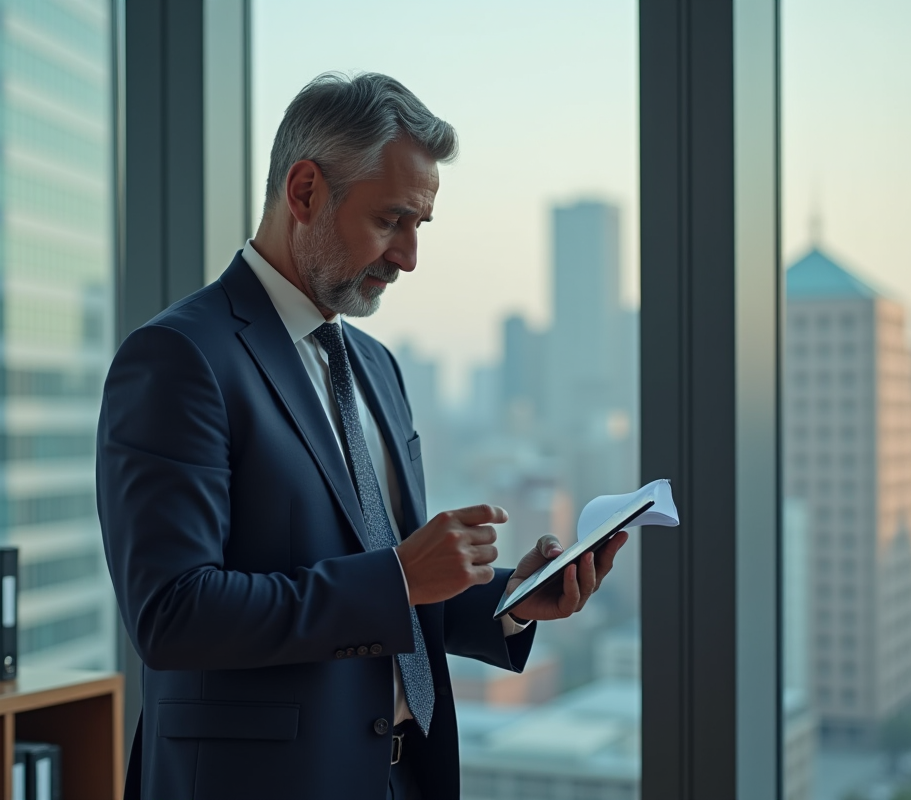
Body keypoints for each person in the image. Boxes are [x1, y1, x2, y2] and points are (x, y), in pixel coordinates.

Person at [96, 71, 627, 800]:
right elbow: (173, 614)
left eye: (419, 227)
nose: (409, 258)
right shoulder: (180, 359)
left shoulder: (376, 368)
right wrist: (402, 577)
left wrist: (510, 601)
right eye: (391, 221)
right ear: (306, 191)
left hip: (400, 777)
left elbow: (384, 576)